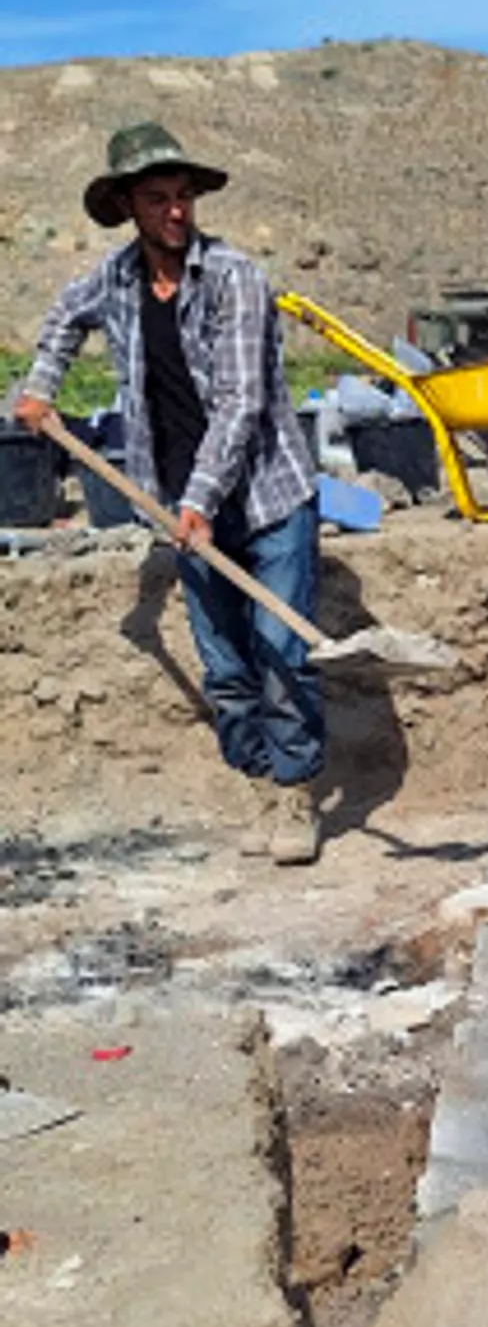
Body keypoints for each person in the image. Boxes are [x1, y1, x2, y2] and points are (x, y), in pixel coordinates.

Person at [13, 123, 326, 864]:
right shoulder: (112, 282)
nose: (176, 212)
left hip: (264, 497)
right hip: (177, 506)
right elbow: (61, 322)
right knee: (225, 669)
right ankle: (259, 785)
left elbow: (243, 404)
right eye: (158, 199)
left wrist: (201, 501)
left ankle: (297, 794)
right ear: (127, 204)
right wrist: (38, 389)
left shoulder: (235, 278)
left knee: (282, 652)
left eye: (184, 197)